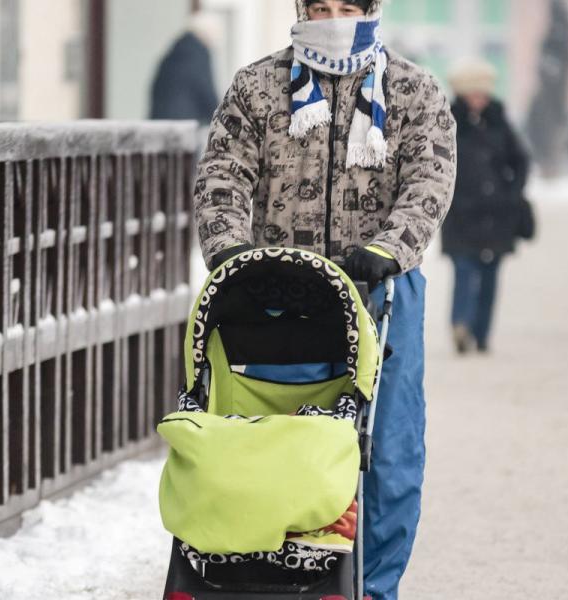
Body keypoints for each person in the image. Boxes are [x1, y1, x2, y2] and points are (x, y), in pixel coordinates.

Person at [192, 0, 457, 596]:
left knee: (387, 452)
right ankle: (278, 577)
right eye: (319, 6)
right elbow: (222, 176)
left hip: (381, 291)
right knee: (282, 445)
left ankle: (373, 587)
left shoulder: (412, 90)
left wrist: (391, 248)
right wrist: (230, 251)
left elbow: (430, 179)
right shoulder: (258, 87)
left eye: (345, 7)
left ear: (371, 10)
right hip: (279, 293)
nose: (331, 17)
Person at [440, 58, 530, 355]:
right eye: (472, 93)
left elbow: (520, 161)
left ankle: (482, 333)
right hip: (461, 215)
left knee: (490, 277)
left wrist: (511, 193)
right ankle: (460, 325)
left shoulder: (500, 122)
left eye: (482, 93)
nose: (478, 99)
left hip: (496, 215)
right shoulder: (447, 123)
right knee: (464, 271)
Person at [149, 12, 222, 124]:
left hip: (161, 121)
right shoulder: (198, 53)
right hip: (185, 123)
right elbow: (205, 90)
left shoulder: (175, 51)